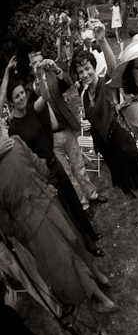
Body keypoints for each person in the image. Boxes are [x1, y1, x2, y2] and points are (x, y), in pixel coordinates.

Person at [0, 124, 115, 313]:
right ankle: (99, 275)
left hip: (32, 223)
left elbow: (7, 226)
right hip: (49, 202)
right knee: (74, 239)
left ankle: (103, 300)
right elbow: (43, 170)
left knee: (65, 260)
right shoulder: (16, 143)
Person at [2, 58, 102, 258]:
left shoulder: (32, 109)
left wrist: (39, 76)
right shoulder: (13, 127)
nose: (22, 98)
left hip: (54, 163)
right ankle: (86, 246)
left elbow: (45, 96)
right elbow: (25, 157)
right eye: (17, 96)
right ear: (10, 102)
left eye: (23, 93)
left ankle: (91, 235)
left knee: (74, 202)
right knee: (64, 211)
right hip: (45, 174)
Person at [71, 21, 138, 199]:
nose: (85, 74)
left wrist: (103, 40)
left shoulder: (105, 84)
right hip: (108, 148)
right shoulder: (83, 95)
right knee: (128, 183)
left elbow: (113, 70)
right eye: (80, 71)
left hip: (122, 141)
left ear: (94, 67)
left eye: (87, 68)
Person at [25, 51, 106, 217]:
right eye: (34, 63)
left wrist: (56, 69)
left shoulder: (53, 76)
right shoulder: (29, 89)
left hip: (67, 129)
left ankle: (92, 194)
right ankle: (83, 204)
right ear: (30, 66)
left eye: (41, 62)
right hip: (51, 137)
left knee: (79, 165)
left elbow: (69, 82)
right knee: (68, 173)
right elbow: (29, 110)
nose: (38, 65)